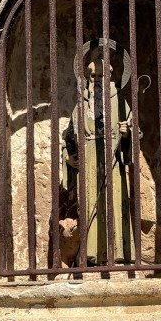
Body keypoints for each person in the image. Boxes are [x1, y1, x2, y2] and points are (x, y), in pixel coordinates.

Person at [63, 57, 135, 265]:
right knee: (89, 205)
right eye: (93, 76)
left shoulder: (120, 101)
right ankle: (91, 254)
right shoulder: (81, 105)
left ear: (110, 76)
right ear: (87, 77)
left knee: (113, 202)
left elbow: (133, 131)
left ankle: (117, 253)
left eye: (101, 76)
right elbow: (68, 137)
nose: (97, 80)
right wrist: (68, 157)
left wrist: (126, 133)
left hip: (112, 158)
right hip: (88, 160)